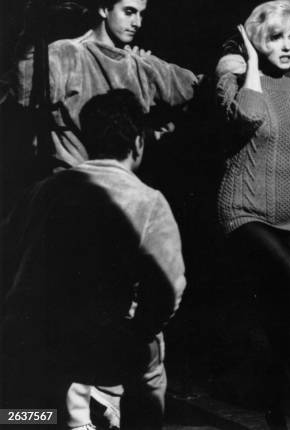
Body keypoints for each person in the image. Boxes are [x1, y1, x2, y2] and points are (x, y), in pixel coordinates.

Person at [0, 89, 186, 429]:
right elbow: (167, 290)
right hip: (93, 342)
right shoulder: (147, 200)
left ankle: (38, 421)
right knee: (151, 365)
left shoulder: (42, 191)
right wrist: (138, 332)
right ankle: (107, 408)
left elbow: (7, 248)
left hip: (26, 335)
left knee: (21, 417)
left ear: (86, 140)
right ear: (138, 143)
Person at [215, 0, 290, 429]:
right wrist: (249, 61)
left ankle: (275, 407)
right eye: (274, 38)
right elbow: (247, 116)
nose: (286, 46)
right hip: (245, 208)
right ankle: (273, 396)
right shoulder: (233, 80)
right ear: (256, 41)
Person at [15, 0, 200, 170]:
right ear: (104, 9)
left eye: (141, 14)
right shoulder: (66, 55)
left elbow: (196, 87)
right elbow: (21, 93)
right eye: (129, 12)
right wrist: (29, 36)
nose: (137, 23)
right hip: (72, 182)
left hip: (120, 187)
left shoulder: (140, 64)